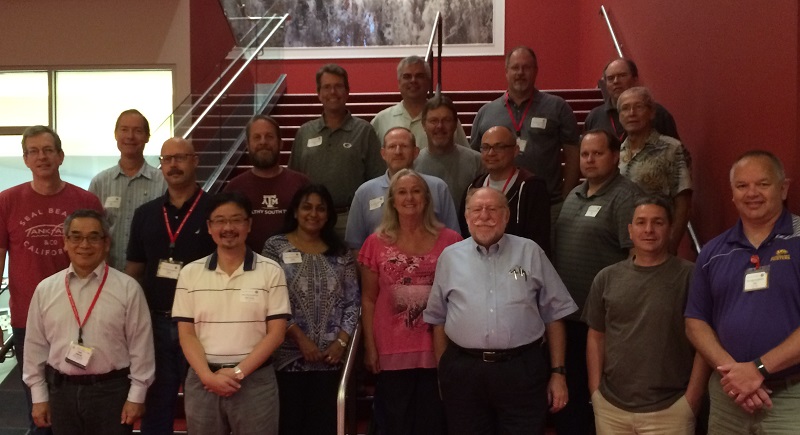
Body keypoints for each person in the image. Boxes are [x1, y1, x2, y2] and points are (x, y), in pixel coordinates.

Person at [424, 187, 578, 435]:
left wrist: (558, 373)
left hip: (521, 369)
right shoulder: (449, 258)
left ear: (506, 216)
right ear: (466, 217)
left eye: (492, 209)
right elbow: (438, 319)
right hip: (464, 371)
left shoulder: (530, 252)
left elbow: (555, 315)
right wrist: (445, 372)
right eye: (477, 209)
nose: (484, 216)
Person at [685, 150, 800, 434]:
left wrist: (758, 369)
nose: (752, 193)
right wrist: (736, 374)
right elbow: (695, 322)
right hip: (729, 396)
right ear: (733, 194)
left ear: (783, 188)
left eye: (763, 184)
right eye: (742, 186)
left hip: (791, 396)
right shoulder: (713, 252)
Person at [0, 125, 103, 435]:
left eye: (47, 150)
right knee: (38, 405)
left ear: (60, 156)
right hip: (26, 318)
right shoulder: (7, 201)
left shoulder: (85, 200)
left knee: (76, 402)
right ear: (25, 159)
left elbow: (99, 258)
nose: (41, 157)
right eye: (33, 151)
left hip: (78, 316)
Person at [23, 209, 155, 434]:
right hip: (61, 392)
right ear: (65, 242)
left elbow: (141, 348)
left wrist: (137, 396)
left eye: (94, 237)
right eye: (76, 236)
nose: (84, 244)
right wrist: (38, 396)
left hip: (111, 392)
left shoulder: (127, 288)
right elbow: (35, 347)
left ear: (106, 243)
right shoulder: (46, 289)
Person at [583, 196, 708, 435]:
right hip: (611, 408)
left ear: (670, 229)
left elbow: (704, 341)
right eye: (641, 222)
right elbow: (596, 336)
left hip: (671, 410)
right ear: (630, 230)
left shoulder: (691, 277)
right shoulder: (606, 278)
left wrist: (692, 399)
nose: (648, 229)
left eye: (658, 222)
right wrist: (595, 391)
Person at [173, 192, 290, 435]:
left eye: (236, 220)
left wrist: (238, 373)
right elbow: (186, 334)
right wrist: (207, 376)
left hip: (255, 381)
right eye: (220, 221)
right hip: (203, 380)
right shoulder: (190, 273)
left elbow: (276, 334)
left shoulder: (271, 271)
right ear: (209, 227)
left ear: (249, 224)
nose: (228, 227)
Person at [551, 129, 642, 434]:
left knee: (598, 400)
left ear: (615, 157)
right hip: (570, 318)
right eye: (585, 154)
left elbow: (638, 258)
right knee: (571, 399)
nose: (589, 160)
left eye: (597, 153)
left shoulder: (626, 197)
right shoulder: (575, 195)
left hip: (605, 321)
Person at [359, 169, 462, 435]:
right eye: (402, 192)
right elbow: (369, 299)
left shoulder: (451, 241)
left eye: (416, 191)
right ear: (392, 200)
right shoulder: (375, 243)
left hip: (437, 349)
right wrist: (370, 347)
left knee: (433, 423)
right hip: (391, 350)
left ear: (427, 198)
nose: (409, 198)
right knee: (395, 423)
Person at [125, 137, 216, 435]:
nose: (173, 165)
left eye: (180, 158)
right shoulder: (146, 214)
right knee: (156, 406)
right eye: (167, 159)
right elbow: (134, 272)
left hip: (202, 325)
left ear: (195, 160)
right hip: (155, 324)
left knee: (203, 406)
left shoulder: (216, 210)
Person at [262, 184, 360, 435]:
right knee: (289, 425)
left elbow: (353, 301)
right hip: (288, 358)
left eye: (320, 209)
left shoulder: (341, 252)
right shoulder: (275, 247)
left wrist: (340, 343)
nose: (313, 214)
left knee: (324, 426)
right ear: (295, 211)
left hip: (330, 359)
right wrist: (300, 338)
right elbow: (271, 299)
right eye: (306, 207)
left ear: (328, 215)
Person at [469, 46, 581, 228]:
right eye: (515, 68)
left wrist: (565, 196)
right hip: (495, 206)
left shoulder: (557, 107)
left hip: (546, 205)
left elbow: (573, 153)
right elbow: (475, 157)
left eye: (526, 67)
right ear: (506, 72)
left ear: (536, 71)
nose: (520, 73)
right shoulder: (486, 112)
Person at [289, 64, 386, 238]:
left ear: (347, 91)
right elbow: (294, 180)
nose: (332, 92)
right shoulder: (305, 132)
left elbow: (377, 181)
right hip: (312, 221)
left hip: (351, 219)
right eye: (327, 87)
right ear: (319, 93)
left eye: (338, 86)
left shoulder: (364, 131)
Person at [346, 127, 459, 250]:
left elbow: (454, 242)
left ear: (416, 152)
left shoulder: (438, 187)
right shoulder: (365, 192)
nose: (398, 152)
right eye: (392, 146)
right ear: (383, 153)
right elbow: (355, 245)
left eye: (404, 146)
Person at [89, 109, 168, 269]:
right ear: (116, 135)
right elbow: (91, 229)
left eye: (137, 131)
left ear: (147, 137)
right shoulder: (100, 182)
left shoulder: (163, 181)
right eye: (124, 130)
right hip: (108, 273)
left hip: (149, 272)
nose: (130, 136)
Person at [617, 87, 691, 253]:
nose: (632, 113)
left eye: (638, 107)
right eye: (625, 108)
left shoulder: (671, 148)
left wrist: (671, 244)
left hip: (655, 238)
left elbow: (683, 200)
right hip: (621, 241)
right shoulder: (616, 151)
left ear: (651, 113)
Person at [459, 125, 551, 256]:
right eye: (486, 147)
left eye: (499, 147)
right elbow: (465, 232)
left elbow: (539, 239)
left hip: (518, 264)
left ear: (515, 150)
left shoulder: (531, 187)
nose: (491, 153)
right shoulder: (474, 187)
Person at [224, 115, 309, 252]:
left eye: (269, 136)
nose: (263, 142)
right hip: (247, 267)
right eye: (257, 137)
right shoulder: (234, 188)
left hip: (295, 267)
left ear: (280, 143)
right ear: (248, 145)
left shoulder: (301, 184)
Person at [371, 55, 468, 149]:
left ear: (428, 82)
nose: (413, 80)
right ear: (399, 83)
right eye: (407, 76)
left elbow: (464, 155)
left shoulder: (445, 120)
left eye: (419, 76)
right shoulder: (381, 120)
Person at [584, 58, 680, 141]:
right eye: (610, 78)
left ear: (635, 79)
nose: (616, 81)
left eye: (622, 76)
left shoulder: (656, 113)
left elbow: (677, 154)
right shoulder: (595, 116)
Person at [413, 95, 483, 205]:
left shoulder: (477, 162)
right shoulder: (413, 165)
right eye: (433, 121)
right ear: (423, 125)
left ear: (455, 124)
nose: (440, 126)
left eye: (446, 120)